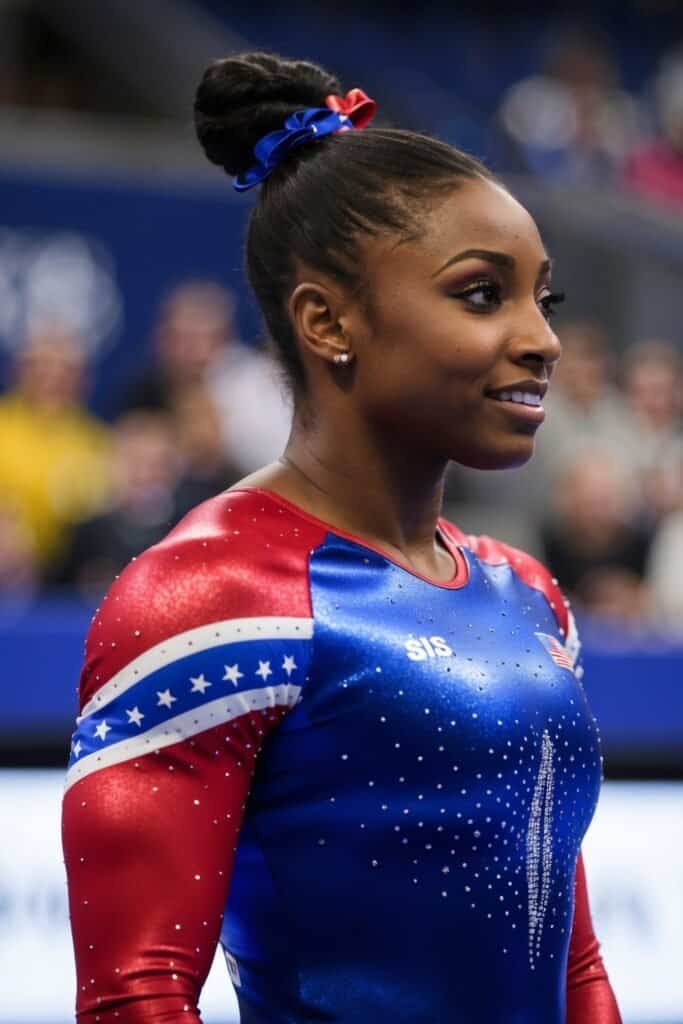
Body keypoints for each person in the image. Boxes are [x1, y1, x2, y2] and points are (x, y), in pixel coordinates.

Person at [62, 52, 621, 1024]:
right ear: (327, 321)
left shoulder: (525, 594)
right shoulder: (212, 598)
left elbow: (571, 969)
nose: (542, 339)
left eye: (545, 298)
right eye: (483, 294)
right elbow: (133, 995)